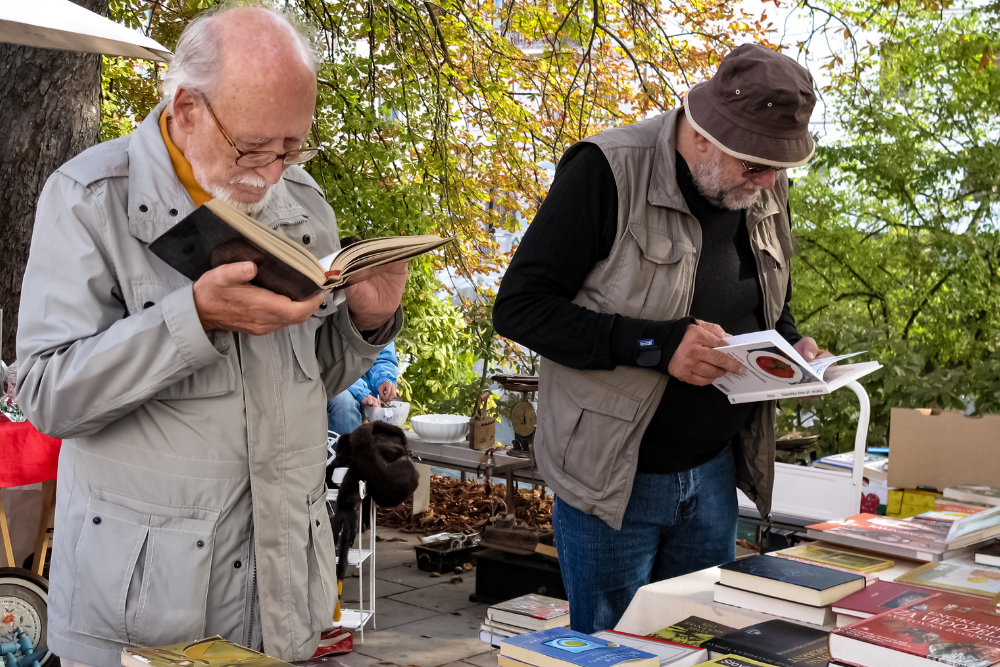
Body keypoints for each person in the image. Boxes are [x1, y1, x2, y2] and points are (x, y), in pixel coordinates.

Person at [14, 6, 406, 667]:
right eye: (254, 148)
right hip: (144, 616)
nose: (275, 171)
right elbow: (48, 395)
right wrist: (192, 320)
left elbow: (311, 377)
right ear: (188, 109)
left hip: (282, 599)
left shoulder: (304, 203)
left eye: (293, 146)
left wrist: (367, 322)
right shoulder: (88, 197)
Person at [493, 44, 831, 633]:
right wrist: (656, 345)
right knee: (613, 648)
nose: (769, 182)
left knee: (696, 646)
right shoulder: (605, 170)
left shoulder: (761, 180)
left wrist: (792, 348)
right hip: (612, 483)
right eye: (754, 167)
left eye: (779, 169)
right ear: (701, 134)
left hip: (714, 474)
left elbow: (770, 301)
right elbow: (520, 309)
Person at [327, 341, 399, 437]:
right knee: (344, 402)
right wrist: (360, 391)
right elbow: (328, 363)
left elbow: (382, 356)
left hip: (365, 398)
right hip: (331, 386)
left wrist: (384, 379)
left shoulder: (384, 328)